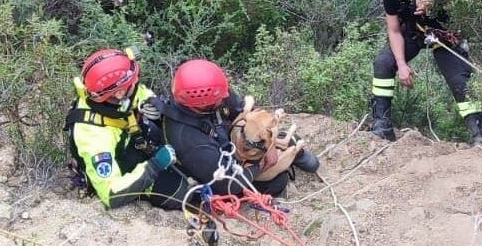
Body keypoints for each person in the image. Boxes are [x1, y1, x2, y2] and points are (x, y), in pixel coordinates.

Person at [160, 59, 319, 198]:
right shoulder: (189, 140)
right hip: (219, 173)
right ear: (203, 104)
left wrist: (269, 146)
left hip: (230, 141)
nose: (225, 96)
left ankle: (295, 153)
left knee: (285, 138)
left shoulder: (214, 92)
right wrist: (259, 166)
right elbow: (227, 184)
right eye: (219, 97)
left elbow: (244, 112)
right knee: (278, 181)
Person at [369, 0, 482, 144]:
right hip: (415, 33)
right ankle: (382, 125)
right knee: (384, 63)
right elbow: (394, 30)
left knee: (458, 79)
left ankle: (478, 131)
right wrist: (401, 64)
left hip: (445, 35)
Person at [64, 48, 189, 210]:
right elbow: (112, 194)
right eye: (133, 82)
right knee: (177, 191)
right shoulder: (93, 137)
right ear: (119, 93)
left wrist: (151, 103)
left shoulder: (109, 95)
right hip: (119, 165)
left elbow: (139, 93)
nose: (136, 83)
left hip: (129, 141)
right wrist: (154, 165)